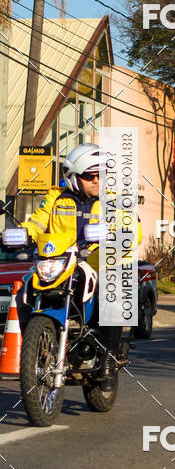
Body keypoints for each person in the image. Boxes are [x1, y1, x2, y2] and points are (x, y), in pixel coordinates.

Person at [19, 143, 142, 389]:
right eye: (89, 176)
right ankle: (37, 347)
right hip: (60, 261)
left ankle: (107, 361)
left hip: (100, 262)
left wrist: (120, 234)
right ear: (73, 177)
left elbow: (133, 231)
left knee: (113, 292)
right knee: (24, 288)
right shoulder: (55, 197)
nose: (97, 180)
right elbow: (38, 221)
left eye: (101, 175)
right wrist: (24, 233)